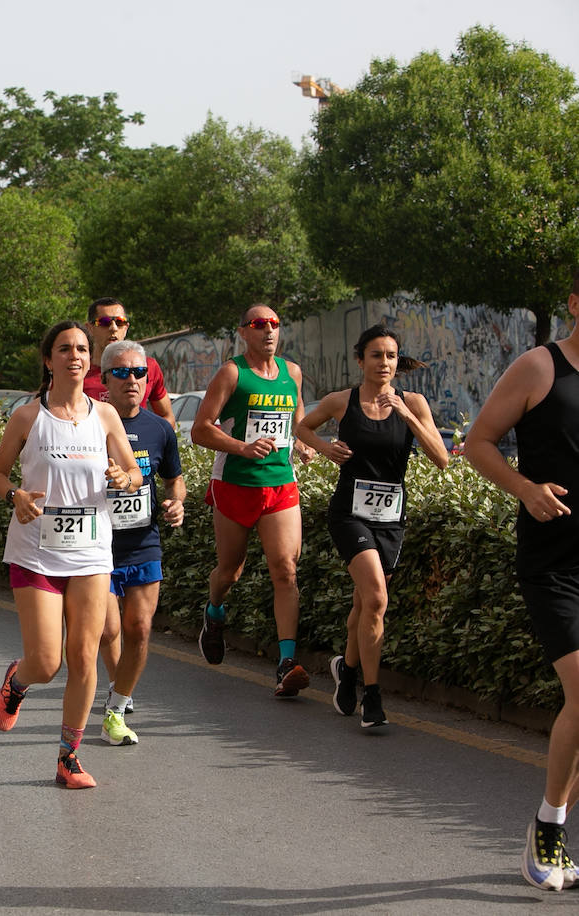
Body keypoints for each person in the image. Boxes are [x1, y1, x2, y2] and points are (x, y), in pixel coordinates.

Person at [0, 320, 141, 788]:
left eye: (81, 349)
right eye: (64, 349)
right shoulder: (28, 417)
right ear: (48, 359)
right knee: (47, 662)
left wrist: (124, 478)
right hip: (36, 552)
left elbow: (134, 473)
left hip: (91, 550)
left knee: (84, 656)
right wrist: (16, 494)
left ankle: (68, 757)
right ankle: (18, 680)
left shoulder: (106, 416)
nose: (74, 356)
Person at [464, 276, 579, 892]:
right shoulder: (541, 367)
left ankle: (551, 826)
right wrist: (527, 490)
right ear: (574, 304)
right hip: (554, 563)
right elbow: (478, 443)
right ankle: (550, 829)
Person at [297, 326, 448, 728]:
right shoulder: (341, 401)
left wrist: (406, 415)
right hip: (349, 514)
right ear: (360, 360)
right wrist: (325, 448)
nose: (384, 363)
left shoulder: (413, 402)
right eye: (376, 355)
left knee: (365, 603)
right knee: (377, 598)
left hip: (390, 518)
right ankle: (373, 696)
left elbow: (442, 458)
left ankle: (346, 669)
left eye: (391, 356)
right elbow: (302, 428)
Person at [191, 304, 316, 697]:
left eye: (275, 324)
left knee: (286, 570)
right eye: (259, 325)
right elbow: (199, 430)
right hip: (235, 483)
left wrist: (305, 443)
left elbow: (298, 420)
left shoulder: (291, 373)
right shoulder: (233, 373)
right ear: (243, 331)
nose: (269, 331)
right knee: (230, 572)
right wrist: (242, 448)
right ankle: (214, 613)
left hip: (280, 484)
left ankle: (286, 663)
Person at [96, 340, 186, 746]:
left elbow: (174, 481)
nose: (131, 380)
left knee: (140, 628)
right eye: (121, 372)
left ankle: (116, 705)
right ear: (104, 380)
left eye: (139, 373)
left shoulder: (160, 429)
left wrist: (176, 504)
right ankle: (118, 689)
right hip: (96, 544)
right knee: (108, 629)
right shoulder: (88, 424)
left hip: (144, 541)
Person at [81, 297, 176, 429]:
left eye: (119, 322)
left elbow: (167, 417)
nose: (113, 328)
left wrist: (149, 439)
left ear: (126, 327)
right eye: (104, 322)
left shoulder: (147, 366)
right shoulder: (78, 372)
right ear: (89, 328)